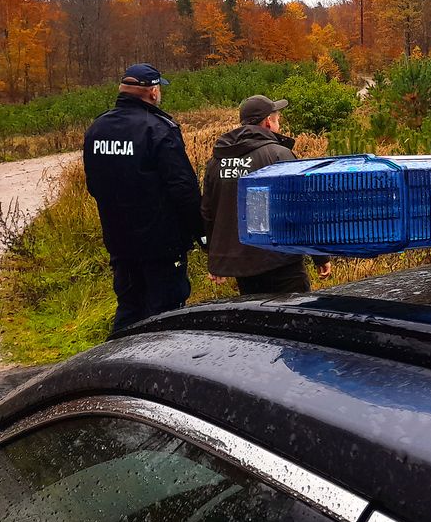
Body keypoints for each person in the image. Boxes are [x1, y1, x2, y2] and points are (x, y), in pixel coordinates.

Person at [84, 63, 204, 331]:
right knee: (165, 316)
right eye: (158, 88)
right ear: (152, 91)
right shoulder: (158, 129)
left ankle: (116, 367)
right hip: (161, 243)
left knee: (129, 309)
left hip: (119, 242)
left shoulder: (97, 129)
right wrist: (201, 231)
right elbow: (183, 188)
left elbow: (93, 185)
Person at [201, 95, 330, 294]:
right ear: (268, 122)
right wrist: (320, 256)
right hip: (281, 259)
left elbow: (209, 213)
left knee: (258, 316)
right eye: (277, 119)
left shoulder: (217, 160)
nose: (279, 124)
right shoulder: (278, 154)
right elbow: (301, 210)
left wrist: (215, 256)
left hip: (242, 265)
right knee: (295, 316)